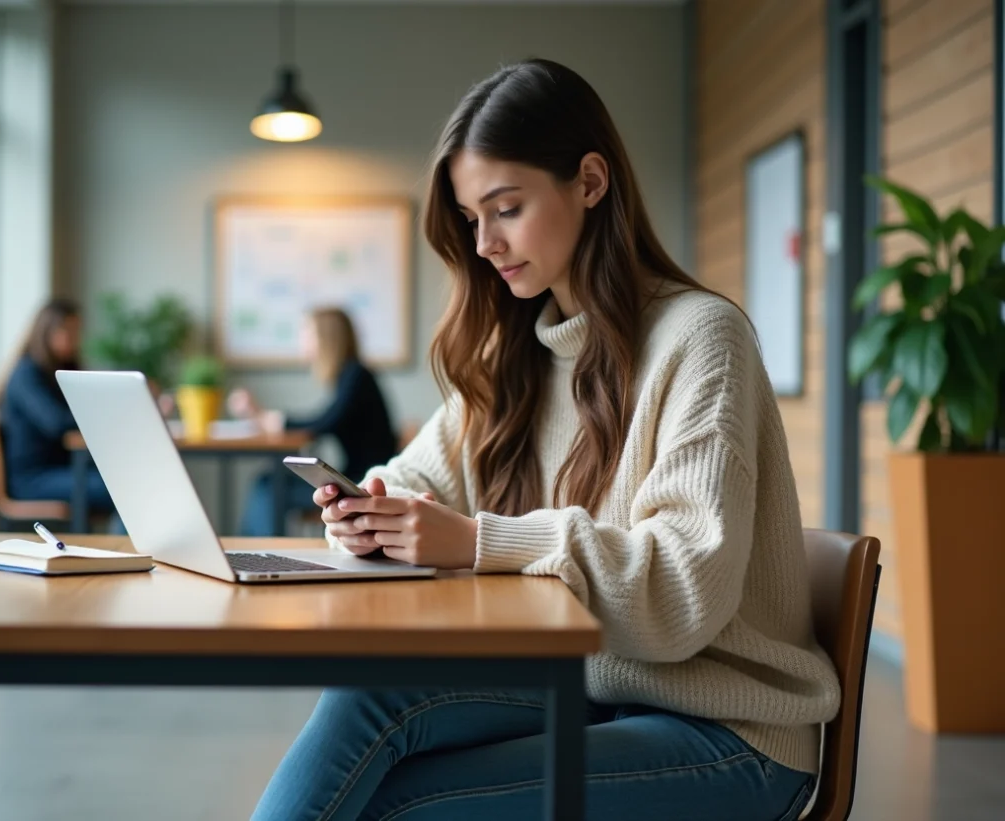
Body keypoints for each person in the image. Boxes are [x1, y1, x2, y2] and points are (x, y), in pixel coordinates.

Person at [250, 59, 840, 821]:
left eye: (507, 208)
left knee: (397, 803)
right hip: (594, 684)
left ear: (590, 182)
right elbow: (423, 474)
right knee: (373, 692)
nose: (486, 242)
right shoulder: (521, 349)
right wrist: (376, 505)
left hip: (726, 728)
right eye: (471, 218)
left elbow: (683, 588)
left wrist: (474, 540)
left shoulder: (701, 337)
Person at [232, 307, 397, 537]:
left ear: (326, 338)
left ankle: (259, 555)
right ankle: (256, 553)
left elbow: (325, 422)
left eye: (307, 333)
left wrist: (272, 419)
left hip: (363, 483)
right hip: (356, 476)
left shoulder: (357, 376)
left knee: (269, 487)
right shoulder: (351, 375)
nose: (302, 340)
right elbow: (326, 420)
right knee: (267, 483)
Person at [0, 297, 116, 518]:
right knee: (118, 489)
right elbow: (57, 422)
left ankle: (124, 548)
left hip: (64, 469)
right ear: (47, 332)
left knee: (126, 481)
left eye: (76, 332)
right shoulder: (27, 374)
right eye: (67, 331)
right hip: (34, 479)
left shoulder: (61, 371)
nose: (74, 339)